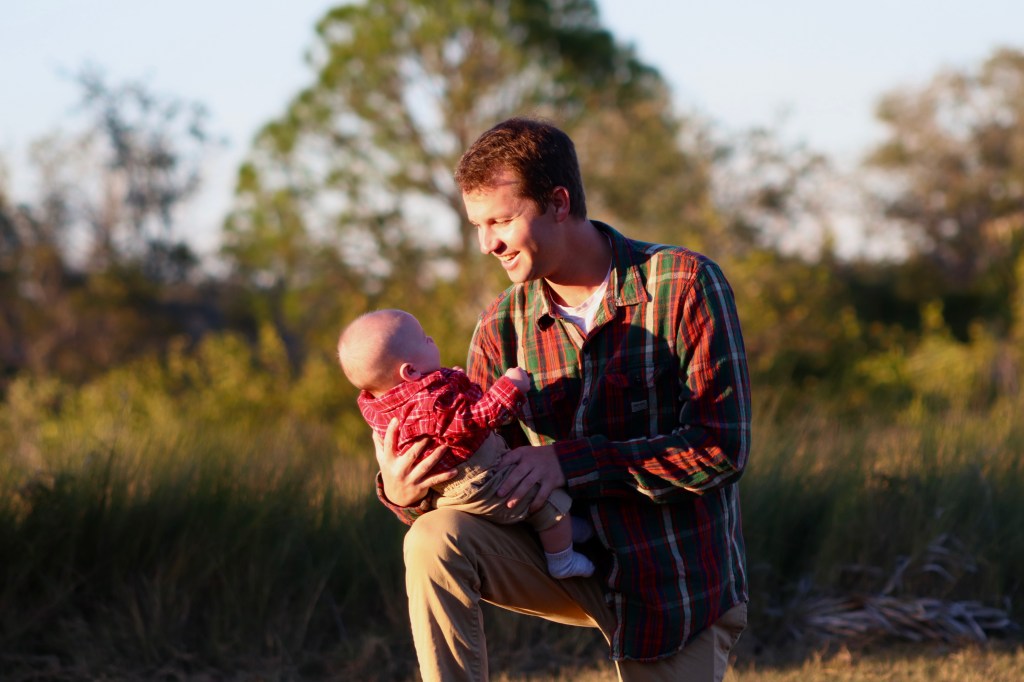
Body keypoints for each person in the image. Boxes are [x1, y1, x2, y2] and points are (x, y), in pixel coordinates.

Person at [373, 117, 751, 681]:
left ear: (557, 202)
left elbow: (721, 450)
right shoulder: (501, 324)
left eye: (501, 220)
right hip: (560, 558)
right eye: (478, 225)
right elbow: (480, 465)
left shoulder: (685, 283)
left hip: (672, 585)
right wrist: (407, 493)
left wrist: (567, 462)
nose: (488, 244)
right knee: (432, 539)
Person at [338, 308, 595, 579]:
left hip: (453, 488)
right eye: (424, 339)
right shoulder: (429, 404)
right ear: (410, 370)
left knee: (531, 498)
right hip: (478, 480)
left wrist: (454, 383)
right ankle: (562, 560)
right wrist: (510, 388)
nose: (431, 339)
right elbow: (473, 419)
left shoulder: (384, 402)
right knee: (549, 502)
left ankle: (565, 532)